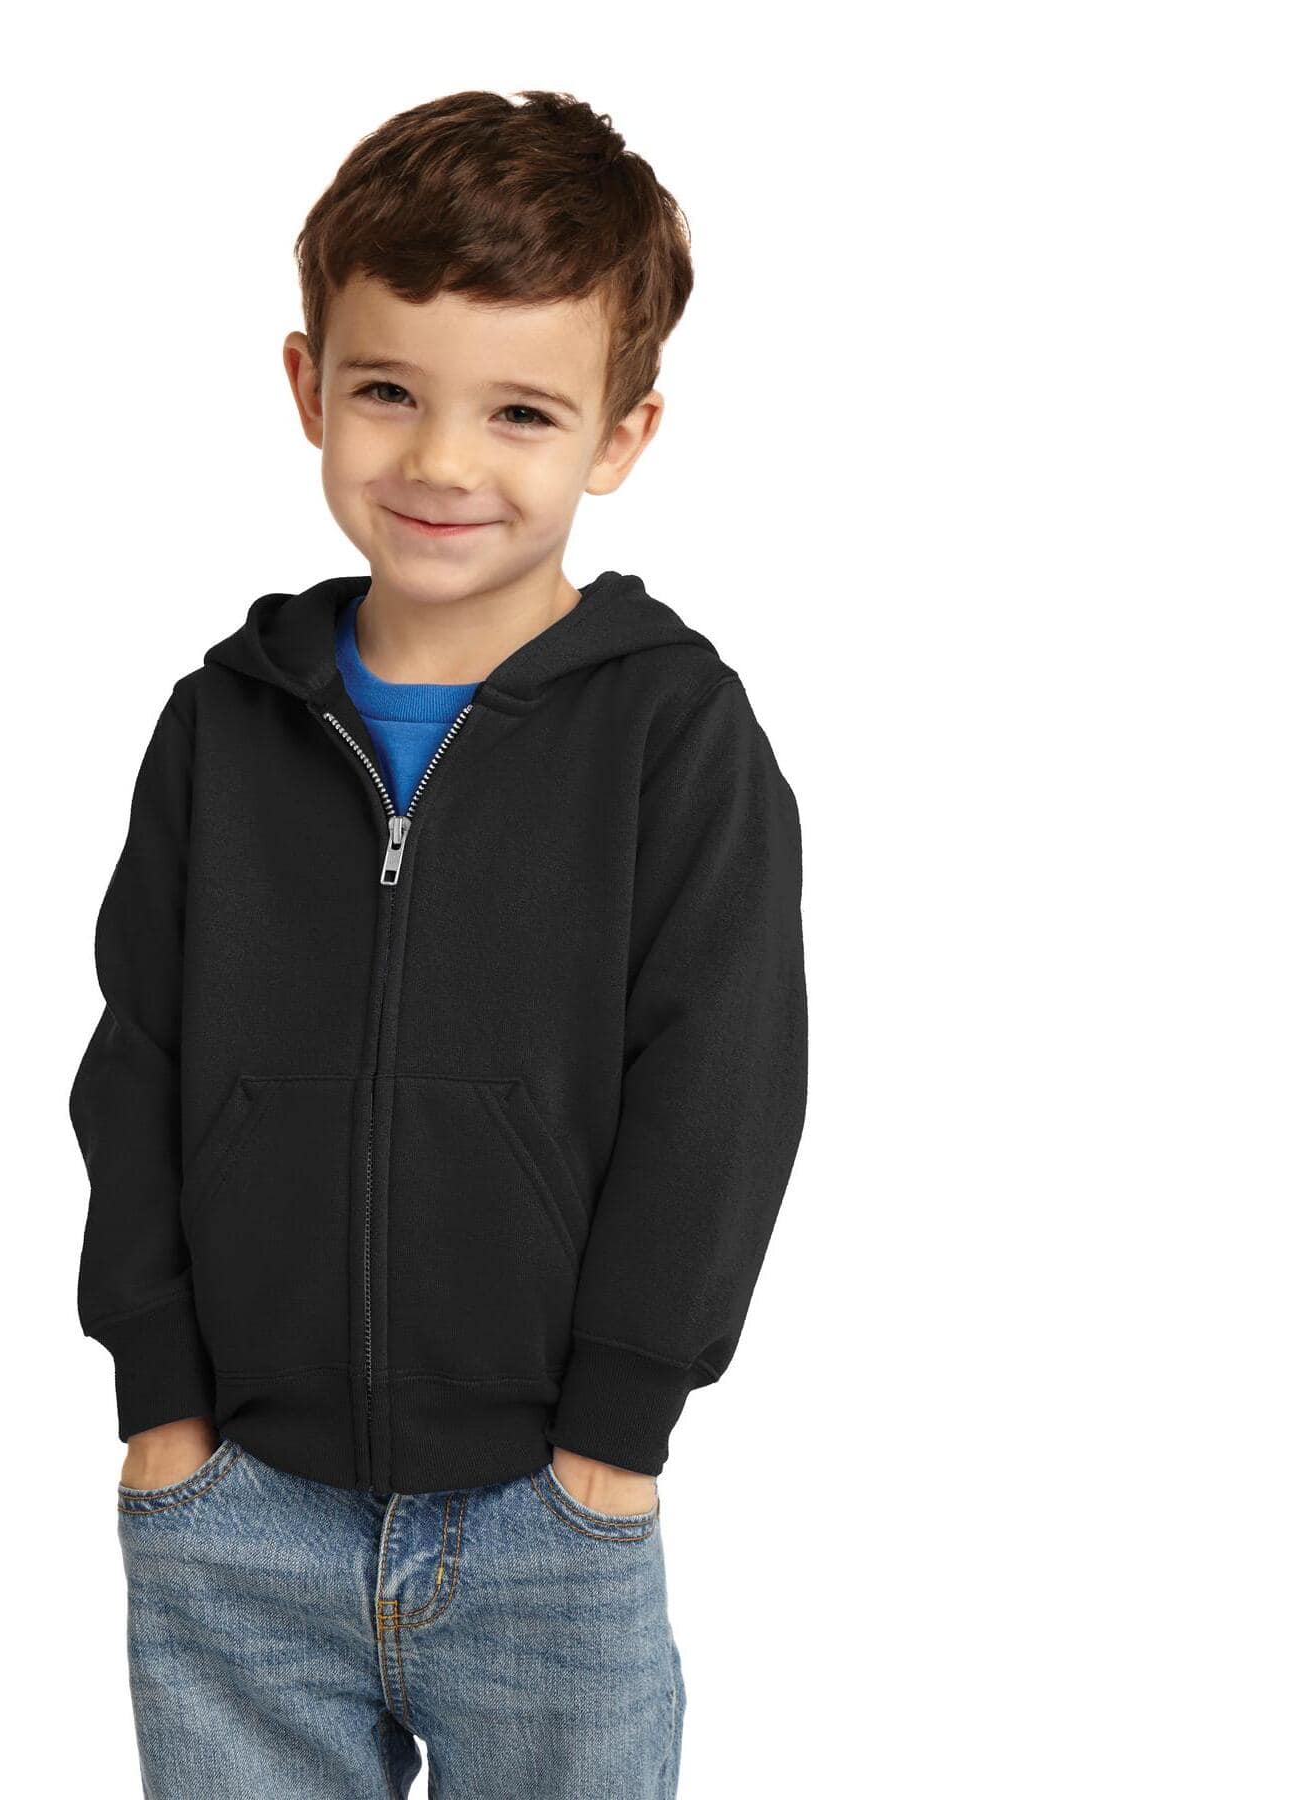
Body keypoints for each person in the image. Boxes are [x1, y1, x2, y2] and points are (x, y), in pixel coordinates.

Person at [70, 87, 808, 1797]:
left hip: (548, 1526)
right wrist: (161, 1404)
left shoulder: (675, 736)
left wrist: (614, 1437)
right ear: (307, 384)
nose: (442, 464)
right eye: (388, 391)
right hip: (236, 1514)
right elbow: (135, 1065)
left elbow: (721, 1093)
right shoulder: (222, 727)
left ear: (621, 434)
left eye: (522, 411)